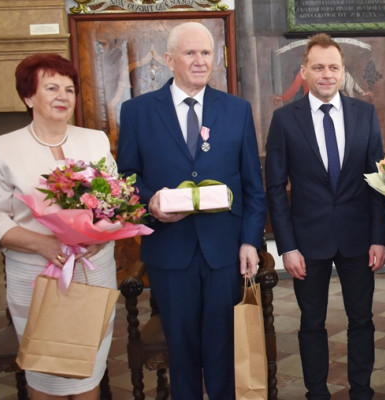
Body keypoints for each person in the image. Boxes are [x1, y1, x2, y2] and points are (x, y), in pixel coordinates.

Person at [117, 22, 266, 399]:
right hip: (170, 251)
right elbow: (126, 179)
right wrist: (149, 201)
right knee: (180, 352)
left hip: (223, 252)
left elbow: (252, 185)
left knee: (223, 349)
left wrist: (250, 241)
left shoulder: (236, 110)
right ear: (169, 60)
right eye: (190, 53)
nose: (200, 61)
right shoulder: (137, 112)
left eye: (206, 53)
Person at [264, 33, 385, 400]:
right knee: (311, 323)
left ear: (342, 71)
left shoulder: (365, 114)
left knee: (362, 320)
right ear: (304, 71)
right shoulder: (284, 120)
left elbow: (378, 180)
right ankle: (316, 393)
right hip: (307, 241)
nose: (326, 74)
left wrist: (379, 237)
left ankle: (361, 391)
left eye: (333, 67)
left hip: (358, 238)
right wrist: (287, 247)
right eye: (318, 67)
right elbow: (275, 188)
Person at [0, 53, 115, 399]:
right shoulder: (2, 149)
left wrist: (101, 236)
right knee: (46, 372)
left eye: (69, 89)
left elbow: (115, 201)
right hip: (35, 277)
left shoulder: (95, 140)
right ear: (28, 97)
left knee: (89, 369)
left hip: (93, 272)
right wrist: (43, 244)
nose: (63, 96)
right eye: (51, 88)